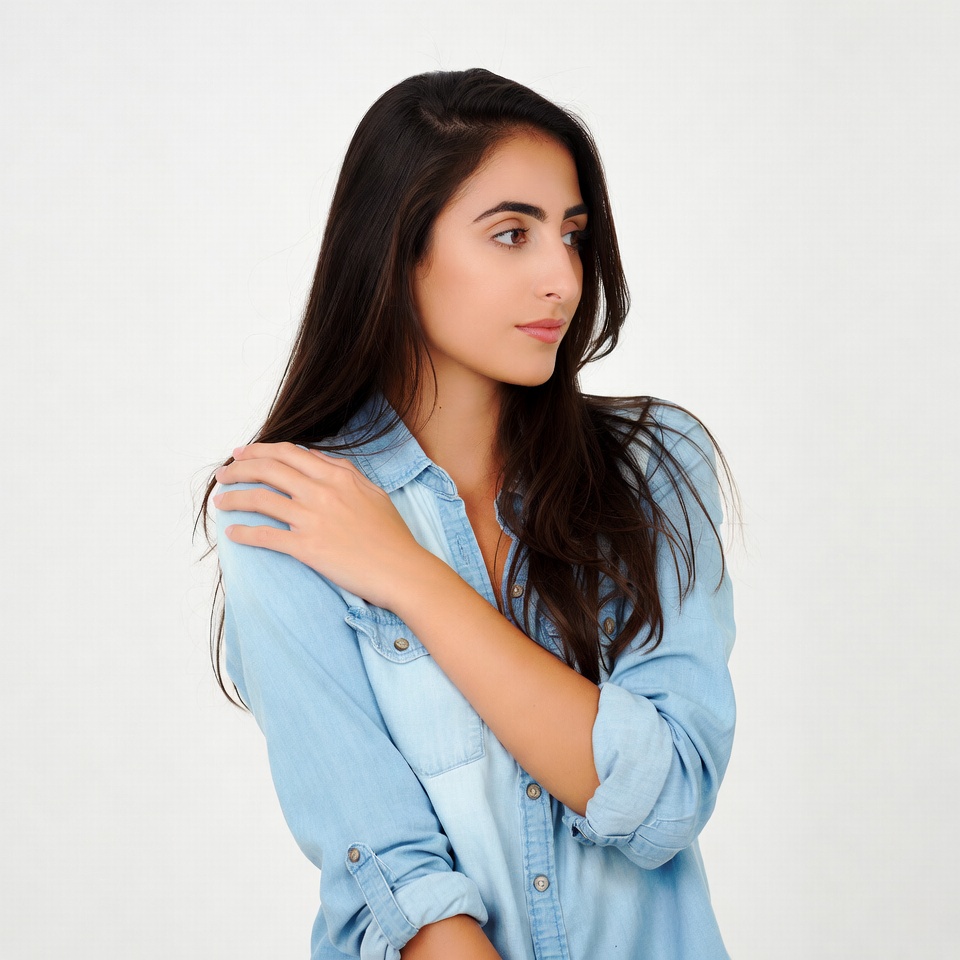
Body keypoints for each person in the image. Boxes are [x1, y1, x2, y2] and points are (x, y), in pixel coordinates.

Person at [199, 68, 737, 960]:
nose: (562, 278)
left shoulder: (652, 467)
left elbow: (667, 801)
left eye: (572, 236)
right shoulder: (283, 513)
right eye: (512, 234)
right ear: (398, 249)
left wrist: (410, 576)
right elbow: (396, 884)